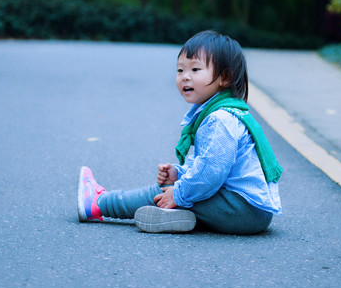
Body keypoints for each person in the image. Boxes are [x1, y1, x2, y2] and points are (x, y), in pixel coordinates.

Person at [77, 30, 282, 234]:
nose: (185, 77)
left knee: (164, 193)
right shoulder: (225, 113)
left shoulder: (220, 120)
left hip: (243, 210)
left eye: (195, 69)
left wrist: (178, 194)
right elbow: (209, 163)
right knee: (182, 190)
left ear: (225, 77)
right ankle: (180, 216)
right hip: (247, 210)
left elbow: (210, 173)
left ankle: (98, 203)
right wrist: (179, 173)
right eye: (180, 70)